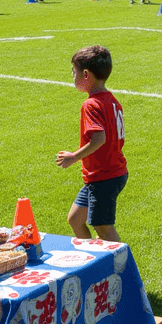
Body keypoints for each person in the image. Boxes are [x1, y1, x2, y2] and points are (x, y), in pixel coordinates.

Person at [56, 45, 127, 242]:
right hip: (107, 174)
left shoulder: (91, 104)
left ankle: (120, 268)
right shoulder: (111, 99)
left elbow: (99, 139)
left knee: (102, 227)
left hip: (104, 177)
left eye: (74, 72)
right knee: (76, 220)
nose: (73, 77)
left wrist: (73, 157)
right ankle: (95, 258)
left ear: (86, 74)